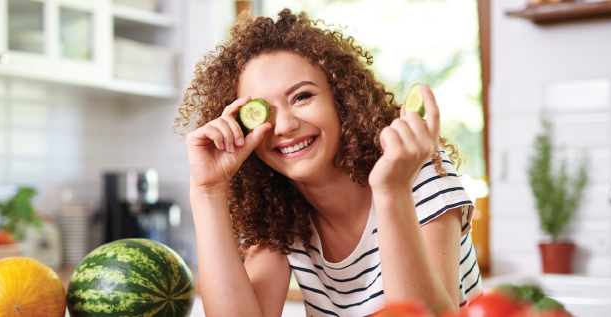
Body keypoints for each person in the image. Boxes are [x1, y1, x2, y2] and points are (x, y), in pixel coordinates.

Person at [174, 8, 483, 317]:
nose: (284, 126)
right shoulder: (279, 212)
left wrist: (392, 191)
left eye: (302, 97)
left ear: (341, 100)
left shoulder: (413, 170)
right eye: (262, 112)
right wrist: (207, 191)